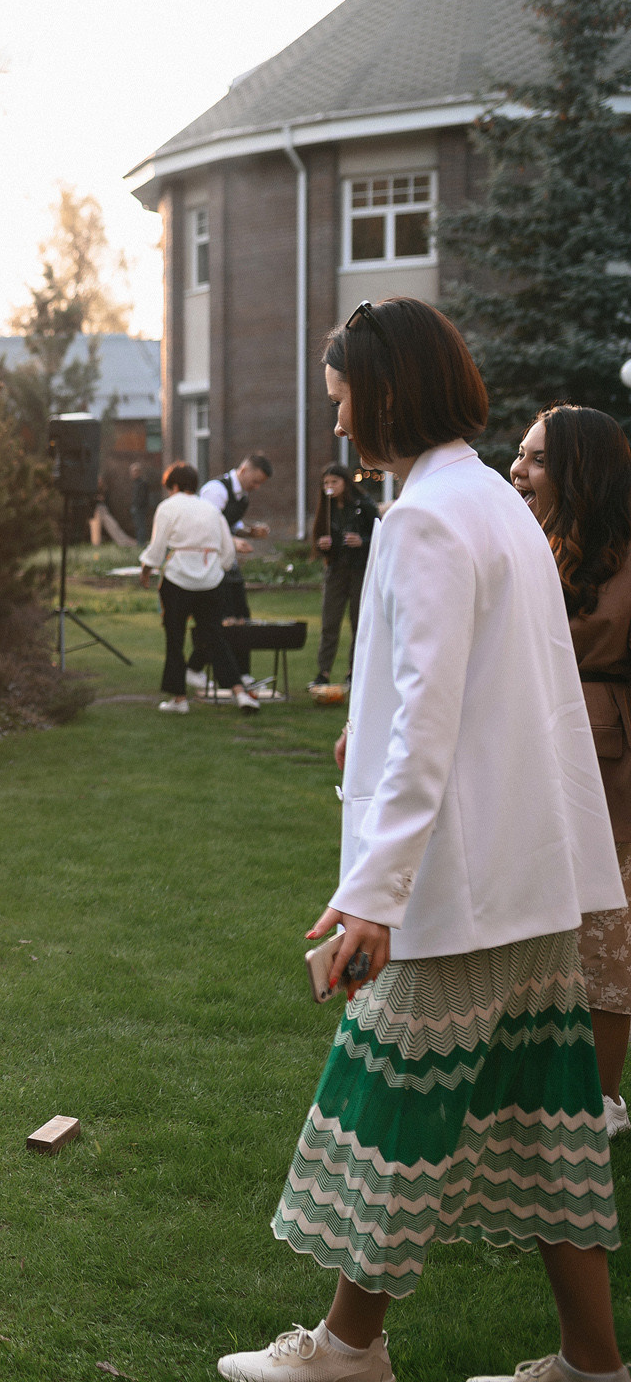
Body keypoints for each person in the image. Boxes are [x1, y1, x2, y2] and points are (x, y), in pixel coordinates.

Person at [219, 299, 624, 1382]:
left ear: (387, 391)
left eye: (344, 400)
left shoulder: (427, 518)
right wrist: (373, 716)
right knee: (546, 1125)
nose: (340, 423)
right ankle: (593, 1363)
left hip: (462, 886)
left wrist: (372, 897)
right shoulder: (487, 498)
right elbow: (492, 689)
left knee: (390, 1100)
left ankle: (346, 1348)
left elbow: (434, 720)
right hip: (535, 878)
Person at [512, 404, 631, 1140]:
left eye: (539, 459)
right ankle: (532, 1091)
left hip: (607, 764)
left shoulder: (619, 556)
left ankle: (602, 1102)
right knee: (541, 934)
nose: (518, 469)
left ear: (580, 471)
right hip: (534, 760)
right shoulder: (531, 542)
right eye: (519, 454)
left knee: (606, 941)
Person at [138, 460, 254, 715]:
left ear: (174, 485)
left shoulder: (168, 507)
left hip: (178, 580)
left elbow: (157, 548)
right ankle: (240, 693)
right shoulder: (210, 509)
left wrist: (146, 570)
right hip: (210, 582)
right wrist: (215, 570)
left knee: (175, 638)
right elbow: (227, 550)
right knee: (215, 636)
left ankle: (179, 700)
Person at [186, 452, 273, 690]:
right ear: (243, 469)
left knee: (242, 617)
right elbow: (208, 525)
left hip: (228, 566)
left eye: (260, 484)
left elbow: (230, 525)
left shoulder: (242, 496)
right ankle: (194, 668)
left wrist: (249, 532)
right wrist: (233, 542)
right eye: (255, 481)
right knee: (220, 620)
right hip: (210, 565)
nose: (256, 487)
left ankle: (242, 674)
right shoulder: (216, 490)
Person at [307, 463, 377, 688]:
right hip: (336, 570)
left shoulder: (363, 505)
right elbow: (319, 538)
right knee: (330, 622)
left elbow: (380, 534)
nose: (329, 487)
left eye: (334, 482)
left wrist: (362, 541)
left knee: (359, 623)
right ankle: (323, 672)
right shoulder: (326, 508)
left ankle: (353, 672)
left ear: (345, 482)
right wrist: (322, 544)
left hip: (359, 570)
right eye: (326, 483)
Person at [129, 459, 159, 544]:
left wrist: (137, 506)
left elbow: (142, 497)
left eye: (135, 471)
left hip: (140, 508)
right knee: (138, 526)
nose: (133, 473)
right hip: (136, 507)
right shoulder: (135, 483)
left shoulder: (142, 483)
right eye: (132, 471)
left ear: (139, 472)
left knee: (141, 525)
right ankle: (140, 541)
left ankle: (141, 542)